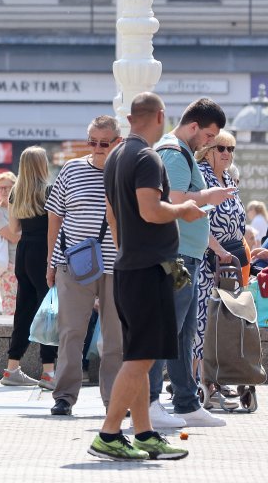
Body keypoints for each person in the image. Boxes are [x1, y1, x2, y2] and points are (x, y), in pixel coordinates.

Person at [89, 92, 204, 461]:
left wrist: (129, 251)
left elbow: (114, 216)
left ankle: (144, 433)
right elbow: (151, 210)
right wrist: (184, 208)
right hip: (147, 269)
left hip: (128, 267)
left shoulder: (117, 156)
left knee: (139, 355)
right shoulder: (146, 157)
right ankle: (109, 434)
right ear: (159, 115)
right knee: (141, 359)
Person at [147, 97, 234, 429]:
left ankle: (185, 402)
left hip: (184, 254)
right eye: (210, 135)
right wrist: (209, 197)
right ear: (194, 126)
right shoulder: (175, 151)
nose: (211, 143)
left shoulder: (176, 150)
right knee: (169, 327)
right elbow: (175, 200)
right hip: (177, 255)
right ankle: (154, 400)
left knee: (180, 331)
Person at [45, 116, 123, 416]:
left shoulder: (124, 172)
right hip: (74, 263)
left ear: (117, 141)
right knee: (71, 332)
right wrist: (50, 262)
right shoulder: (72, 169)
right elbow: (55, 217)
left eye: (104, 142)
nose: (97, 148)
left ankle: (113, 399)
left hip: (117, 266)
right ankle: (64, 396)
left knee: (115, 337)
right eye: (92, 141)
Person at [193, 130, 246, 405]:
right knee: (204, 324)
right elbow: (198, 219)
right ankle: (203, 385)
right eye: (221, 148)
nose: (227, 153)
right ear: (208, 149)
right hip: (207, 260)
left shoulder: (227, 177)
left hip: (230, 262)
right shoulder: (201, 174)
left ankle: (212, 381)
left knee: (221, 323)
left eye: (231, 148)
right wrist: (220, 249)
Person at [0, 147, 57, 388]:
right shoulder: (49, 191)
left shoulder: (15, 191)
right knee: (49, 310)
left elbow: (13, 230)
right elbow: (56, 227)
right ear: (42, 164)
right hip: (44, 251)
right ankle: (48, 371)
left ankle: (12, 367)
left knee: (23, 309)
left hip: (23, 252)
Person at [0, 172, 20, 316]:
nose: (4, 191)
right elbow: (12, 237)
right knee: (10, 305)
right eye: (1, 188)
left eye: (8, 187)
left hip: (25, 261)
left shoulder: (22, 207)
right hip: (9, 263)